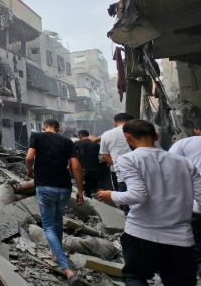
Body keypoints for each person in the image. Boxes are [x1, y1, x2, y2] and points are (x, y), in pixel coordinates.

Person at [97, 120, 201, 285]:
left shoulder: (128, 159)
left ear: (128, 137)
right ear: (156, 136)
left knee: (135, 277)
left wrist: (112, 195)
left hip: (141, 235)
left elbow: (138, 195)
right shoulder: (184, 162)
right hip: (180, 240)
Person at [26, 119, 84, 286]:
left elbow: (29, 157)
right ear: (58, 129)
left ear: (44, 127)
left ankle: (67, 270)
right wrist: (80, 190)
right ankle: (55, 254)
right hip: (64, 188)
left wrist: (30, 172)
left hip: (45, 187)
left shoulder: (36, 136)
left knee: (49, 225)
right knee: (58, 220)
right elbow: (76, 166)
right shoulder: (67, 141)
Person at [169, 119, 201, 277]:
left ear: (197, 131)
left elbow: (170, 172)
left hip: (196, 205)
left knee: (198, 247)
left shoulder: (184, 144)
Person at [74, 130, 105, 198]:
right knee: (95, 186)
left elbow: (72, 155)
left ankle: (88, 201)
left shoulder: (78, 143)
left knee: (86, 187)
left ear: (80, 136)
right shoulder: (96, 144)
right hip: (96, 168)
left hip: (84, 169)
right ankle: (107, 198)